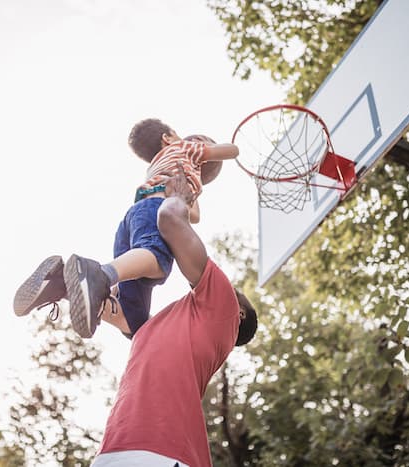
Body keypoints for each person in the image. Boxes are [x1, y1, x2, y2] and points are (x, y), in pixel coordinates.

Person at [90, 168, 258, 467]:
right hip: (115, 452)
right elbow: (115, 314)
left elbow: (169, 221)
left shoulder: (225, 310)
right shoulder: (156, 327)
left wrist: (180, 197)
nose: (233, 289)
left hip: (166, 454)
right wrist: (71, 286)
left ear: (239, 312)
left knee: (158, 259)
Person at [13, 120, 238, 340]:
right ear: (167, 138)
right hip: (155, 210)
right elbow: (231, 150)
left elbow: (193, 214)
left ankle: (59, 284)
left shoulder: (158, 165)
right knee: (157, 258)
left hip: (134, 217)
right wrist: (217, 151)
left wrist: (194, 182)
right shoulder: (186, 148)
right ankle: (101, 274)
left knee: (134, 320)